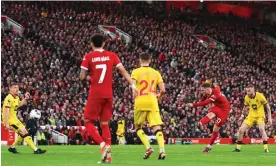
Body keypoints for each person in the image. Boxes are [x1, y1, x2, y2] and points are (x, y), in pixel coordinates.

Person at [79, 34, 138, 163]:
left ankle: (102, 145)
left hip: (96, 93)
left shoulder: (88, 57)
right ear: (104, 44)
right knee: (104, 124)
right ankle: (109, 157)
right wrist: (133, 85)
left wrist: (89, 77)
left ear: (91, 44)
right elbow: (123, 71)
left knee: (88, 121)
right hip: (108, 94)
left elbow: (82, 76)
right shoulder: (112, 55)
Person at [131, 52, 166, 160]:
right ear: (150, 60)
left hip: (140, 101)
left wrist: (134, 98)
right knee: (157, 127)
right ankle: (162, 151)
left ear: (140, 60)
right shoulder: (156, 72)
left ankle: (148, 147)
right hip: (152, 101)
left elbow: (133, 89)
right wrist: (159, 96)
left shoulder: (135, 72)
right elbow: (163, 90)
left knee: (138, 127)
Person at [2, 83, 46, 154]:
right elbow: (6, 111)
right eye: (14, 87)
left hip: (15, 119)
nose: (16, 89)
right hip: (10, 120)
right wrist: (7, 123)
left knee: (23, 132)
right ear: (10, 89)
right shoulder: (8, 99)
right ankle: (35, 149)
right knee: (24, 132)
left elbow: (18, 105)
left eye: (17, 88)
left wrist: (25, 99)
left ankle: (12, 147)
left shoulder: (16, 97)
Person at [186, 83, 230, 153]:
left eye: (202, 90)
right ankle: (200, 123)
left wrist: (193, 105)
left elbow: (205, 103)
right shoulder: (207, 93)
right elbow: (202, 101)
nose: (202, 92)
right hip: (217, 107)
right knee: (211, 113)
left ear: (207, 89)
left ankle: (209, 146)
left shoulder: (215, 94)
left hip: (224, 110)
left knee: (215, 129)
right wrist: (197, 105)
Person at [233, 85, 272, 153]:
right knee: (241, 130)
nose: (247, 92)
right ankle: (238, 148)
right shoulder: (246, 97)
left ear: (253, 90)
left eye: (249, 91)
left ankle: (266, 148)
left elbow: (267, 107)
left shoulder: (260, 96)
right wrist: (242, 116)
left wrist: (269, 118)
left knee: (261, 129)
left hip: (260, 116)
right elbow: (245, 108)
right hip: (251, 116)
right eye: (247, 91)